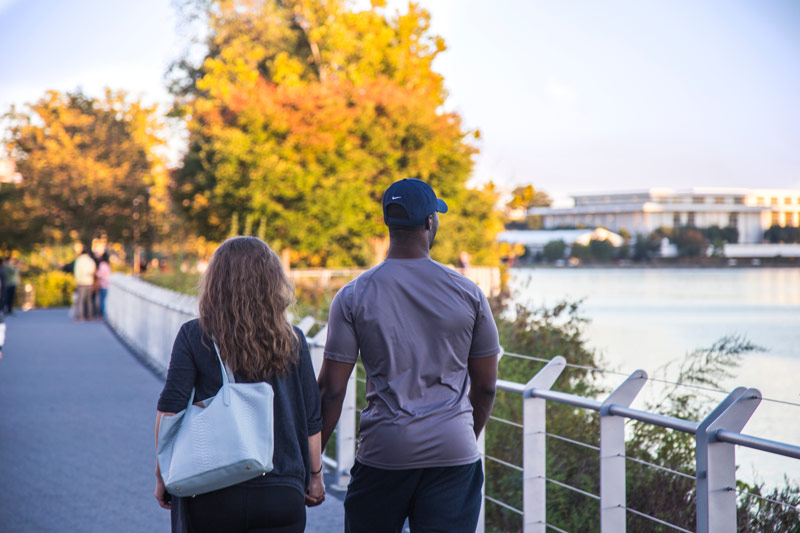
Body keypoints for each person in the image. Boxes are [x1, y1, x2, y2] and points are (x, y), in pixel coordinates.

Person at [318, 178, 500, 533]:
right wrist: (462, 432)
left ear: (388, 222)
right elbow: (487, 386)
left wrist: (312, 465)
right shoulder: (469, 293)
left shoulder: (353, 296)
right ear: (430, 222)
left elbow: (331, 390)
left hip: (385, 451)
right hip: (453, 449)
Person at [154, 236, 325, 533]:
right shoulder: (293, 338)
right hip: (282, 491)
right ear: (272, 282)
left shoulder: (195, 335)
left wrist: (162, 475)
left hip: (211, 488)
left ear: (215, 282)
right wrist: (316, 475)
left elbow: (170, 412)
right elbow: (311, 419)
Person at [73, 246, 96, 322]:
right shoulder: (90, 261)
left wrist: (78, 281)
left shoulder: (79, 261)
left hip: (82, 283)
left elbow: (77, 272)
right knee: (89, 300)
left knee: (81, 300)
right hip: (90, 282)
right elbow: (93, 270)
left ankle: (81, 316)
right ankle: (90, 316)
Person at [95, 253, 111, 318]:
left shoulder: (102, 265)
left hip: (102, 284)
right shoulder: (107, 265)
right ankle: (103, 314)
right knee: (104, 300)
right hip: (107, 284)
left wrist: (96, 273)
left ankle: (102, 314)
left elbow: (100, 274)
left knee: (102, 300)